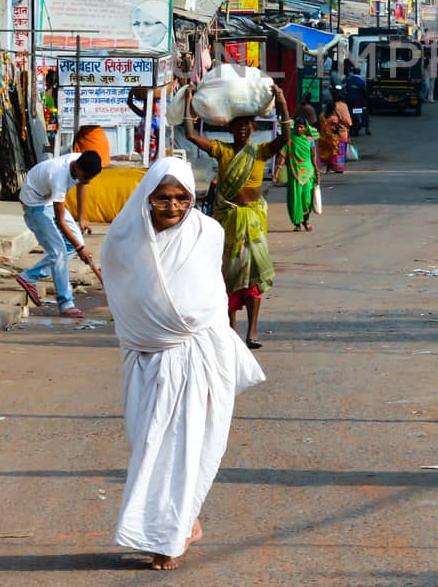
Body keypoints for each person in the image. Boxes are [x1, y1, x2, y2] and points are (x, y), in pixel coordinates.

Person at [101, 157, 266, 570]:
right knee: (149, 446)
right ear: (147, 197)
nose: (173, 206)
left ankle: (167, 538)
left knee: (188, 449)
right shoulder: (123, 239)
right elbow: (124, 300)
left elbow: (210, 294)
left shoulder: (208, 232)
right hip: (144, 358)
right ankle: (183, 523)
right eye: (163, 198)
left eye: (182, 198)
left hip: (199, 357)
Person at [184, 85, 293, 348]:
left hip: (253, 221)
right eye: (238, 126)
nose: (243, 130)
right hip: (227, 219)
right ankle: (231, 326)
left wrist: (282, 101)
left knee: (255, 276)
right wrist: (188, 102)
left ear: (253, 130)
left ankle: (252, 332)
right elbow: (190, 135)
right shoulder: (222, 150)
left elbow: (286, 136)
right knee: (227, 275)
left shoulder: (261, 151)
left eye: (247, 126)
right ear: (230, 129)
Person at [15, 150, 102, 319]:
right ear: (76, 168)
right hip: (35, 205)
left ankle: (29, 276)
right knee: (59, 252)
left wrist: (81, 217)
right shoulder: (59, 177)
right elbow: (60, 221)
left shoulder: (80, 161)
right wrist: (80, 248)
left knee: (71, 244)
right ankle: (65, 303)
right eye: (85, 176)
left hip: (47, 199)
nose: (87, 181)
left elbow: (82, 184)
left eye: (90, 178)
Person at [284, 105, 321, 232]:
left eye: (301, 127)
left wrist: (317, 172)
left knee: (306, 199)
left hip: (308, 173)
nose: (299, 129)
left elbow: (313, 157)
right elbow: (283, 155)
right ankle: (297, 223)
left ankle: (306, 220)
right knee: (295, 199)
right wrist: (277, 171)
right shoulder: (290, 141)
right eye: (297, 127)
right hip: (295, 173)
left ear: (305, 128)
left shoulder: (310, 141)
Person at [317, 105, 346, 175]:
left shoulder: (322, 116)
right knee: (332, 154)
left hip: (323, 137)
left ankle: (324, 168)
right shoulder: (334, 118)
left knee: (325, 153)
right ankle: (329, 169)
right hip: (332, 138)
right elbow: (338, 124)